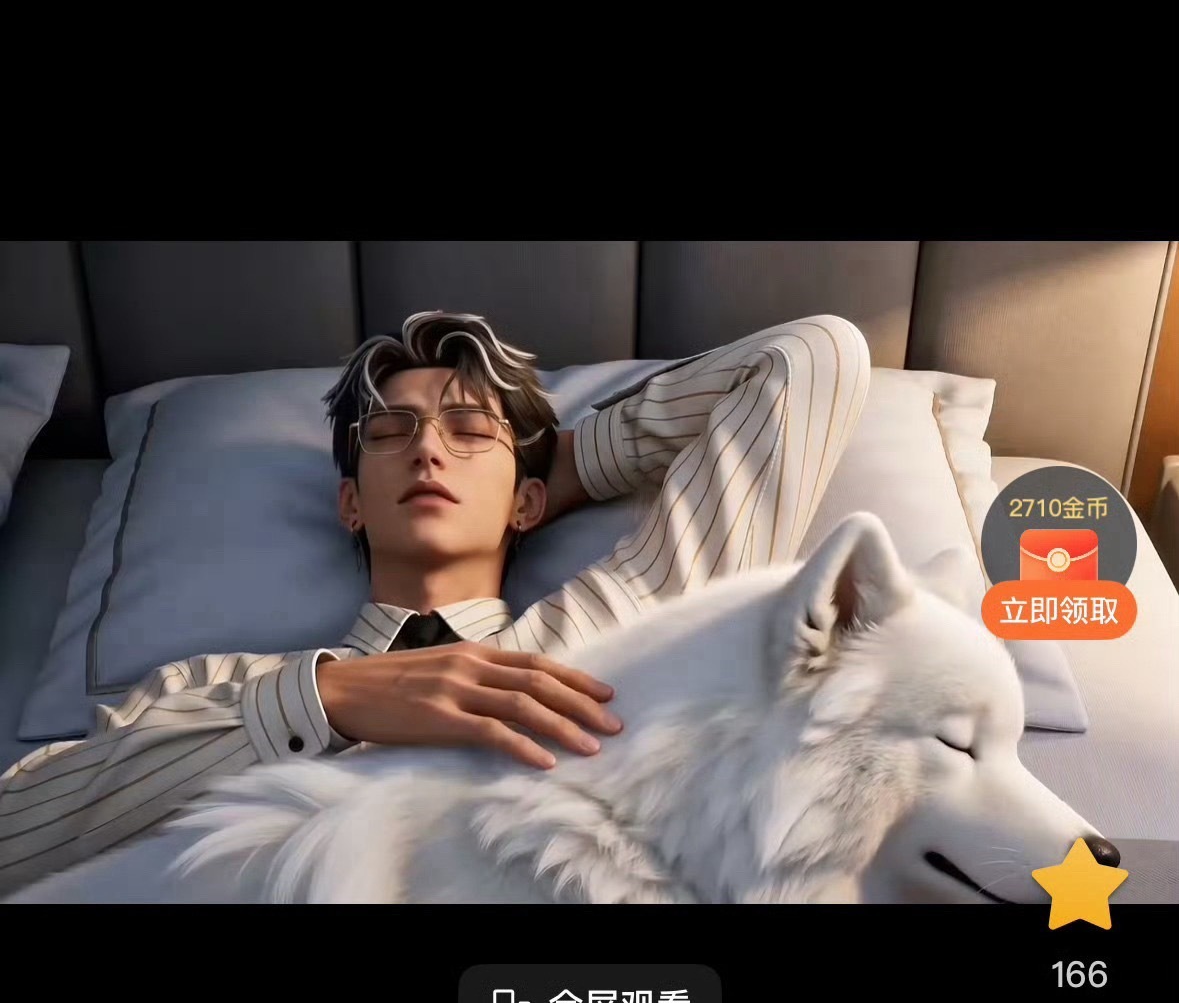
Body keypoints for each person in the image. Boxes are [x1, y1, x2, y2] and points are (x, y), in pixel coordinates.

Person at [0, 308, 870, 896]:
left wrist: (563, 463)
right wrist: (323, 701)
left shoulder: (619, 627)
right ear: (350, 503)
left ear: (527, 503)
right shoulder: (212, 687)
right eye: (390, 431)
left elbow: (810, 358)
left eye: (467, 430)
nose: (426, 450)